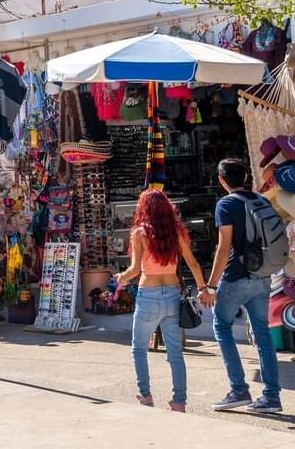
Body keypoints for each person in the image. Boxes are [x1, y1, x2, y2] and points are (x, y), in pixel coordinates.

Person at [115, 190, 210, 411]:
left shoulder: (139, 233)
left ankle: (146, 395)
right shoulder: (176, 232)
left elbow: (135, 269)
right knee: (175, 353)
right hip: (172, 294)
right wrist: (203, 288)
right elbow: (194, 264)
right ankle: (179, 401)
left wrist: (121, 278)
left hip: (148, 294)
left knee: (139, 348)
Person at [206, 156, 284, 414]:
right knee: (262, 335)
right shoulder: (260, 200)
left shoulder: (226, 204)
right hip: (262, 275)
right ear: (246, 177)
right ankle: (271, 396)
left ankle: (239, 389)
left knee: (222, 326)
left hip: (237, 276)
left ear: (221, 180)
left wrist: (211, 285)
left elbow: (223, 246)